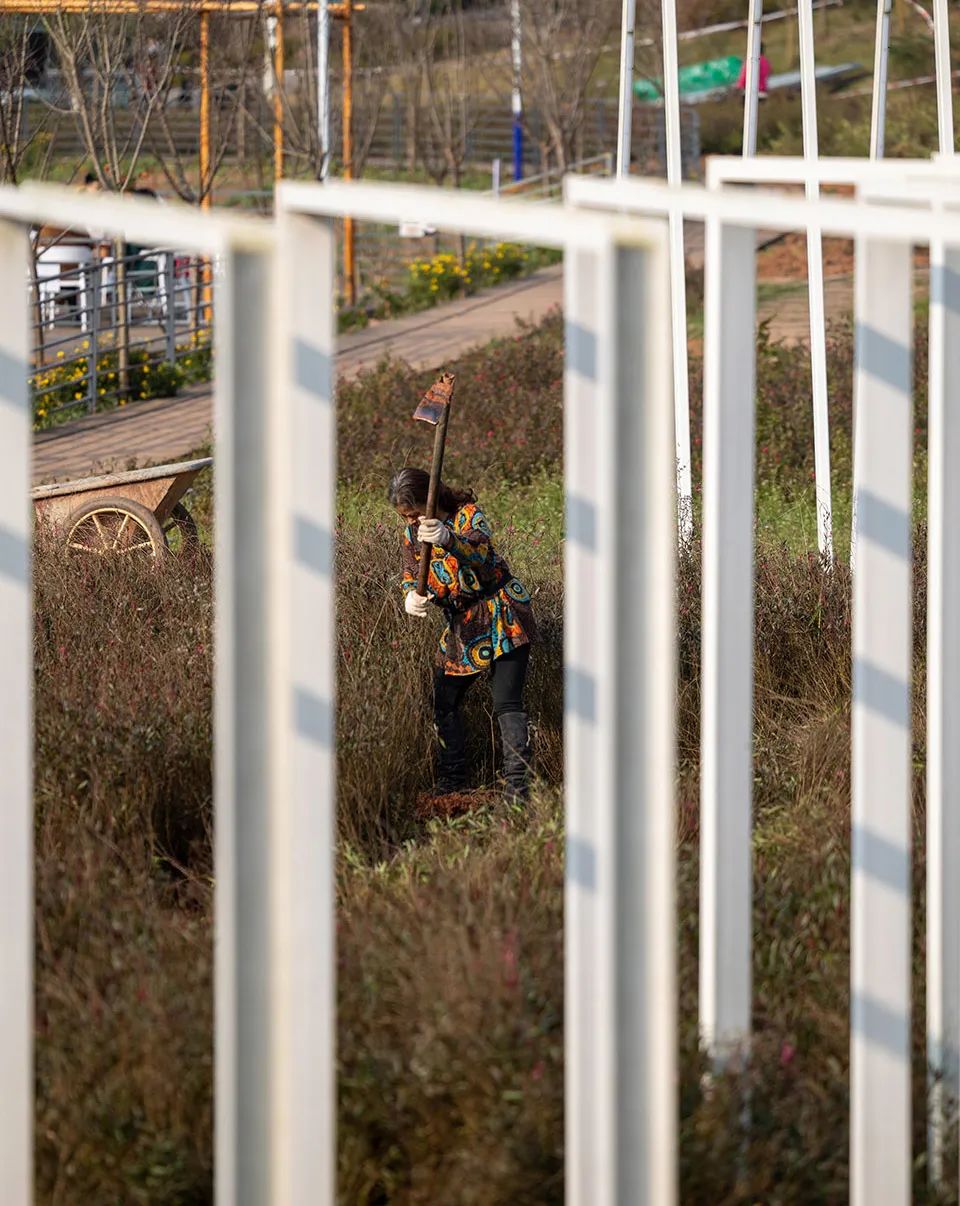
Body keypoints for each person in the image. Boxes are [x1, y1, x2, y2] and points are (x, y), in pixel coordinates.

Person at [389, 466, 538, 803]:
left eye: (413, 514)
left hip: (502, 613)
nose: (411, 522)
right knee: (442, 699)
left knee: (507, 702)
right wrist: (410, 595)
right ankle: (454, 781)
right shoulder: (412, 534)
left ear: (429, 500)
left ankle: (518, 793)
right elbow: (410, 572)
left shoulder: (468, 516)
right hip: (463, 624)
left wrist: (449, 539)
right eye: (404, 517)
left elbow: (482, 559)